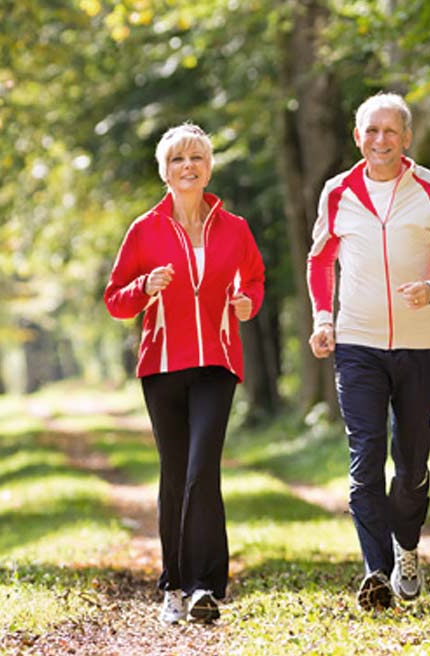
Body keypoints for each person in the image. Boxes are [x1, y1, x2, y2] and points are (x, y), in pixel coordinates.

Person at [306, 93, 430, 610]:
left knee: (412, 465)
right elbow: (319, 262)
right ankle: (376, 571)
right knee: (365, 459)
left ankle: (408, 547)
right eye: (371, 131)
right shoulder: (338, 193)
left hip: (419, 345)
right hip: (357, 343)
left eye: (390, 132)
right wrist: (323, 319)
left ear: (406, 138)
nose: (381, 141)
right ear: (357, 137)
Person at [104, 123, 265, 625]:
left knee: (202, 470)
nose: (188, 166)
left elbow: (255, 280)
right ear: (165, 172)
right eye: (177, 160)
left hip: (216, 364)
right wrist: (146, 286)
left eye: (196, 157)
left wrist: (245, 304)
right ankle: (173, 584)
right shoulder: (144, 230)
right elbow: (115, 300)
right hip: (163, 366)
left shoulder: (234, 227)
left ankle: (205, 588)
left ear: (209, 167)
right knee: (175, 475)